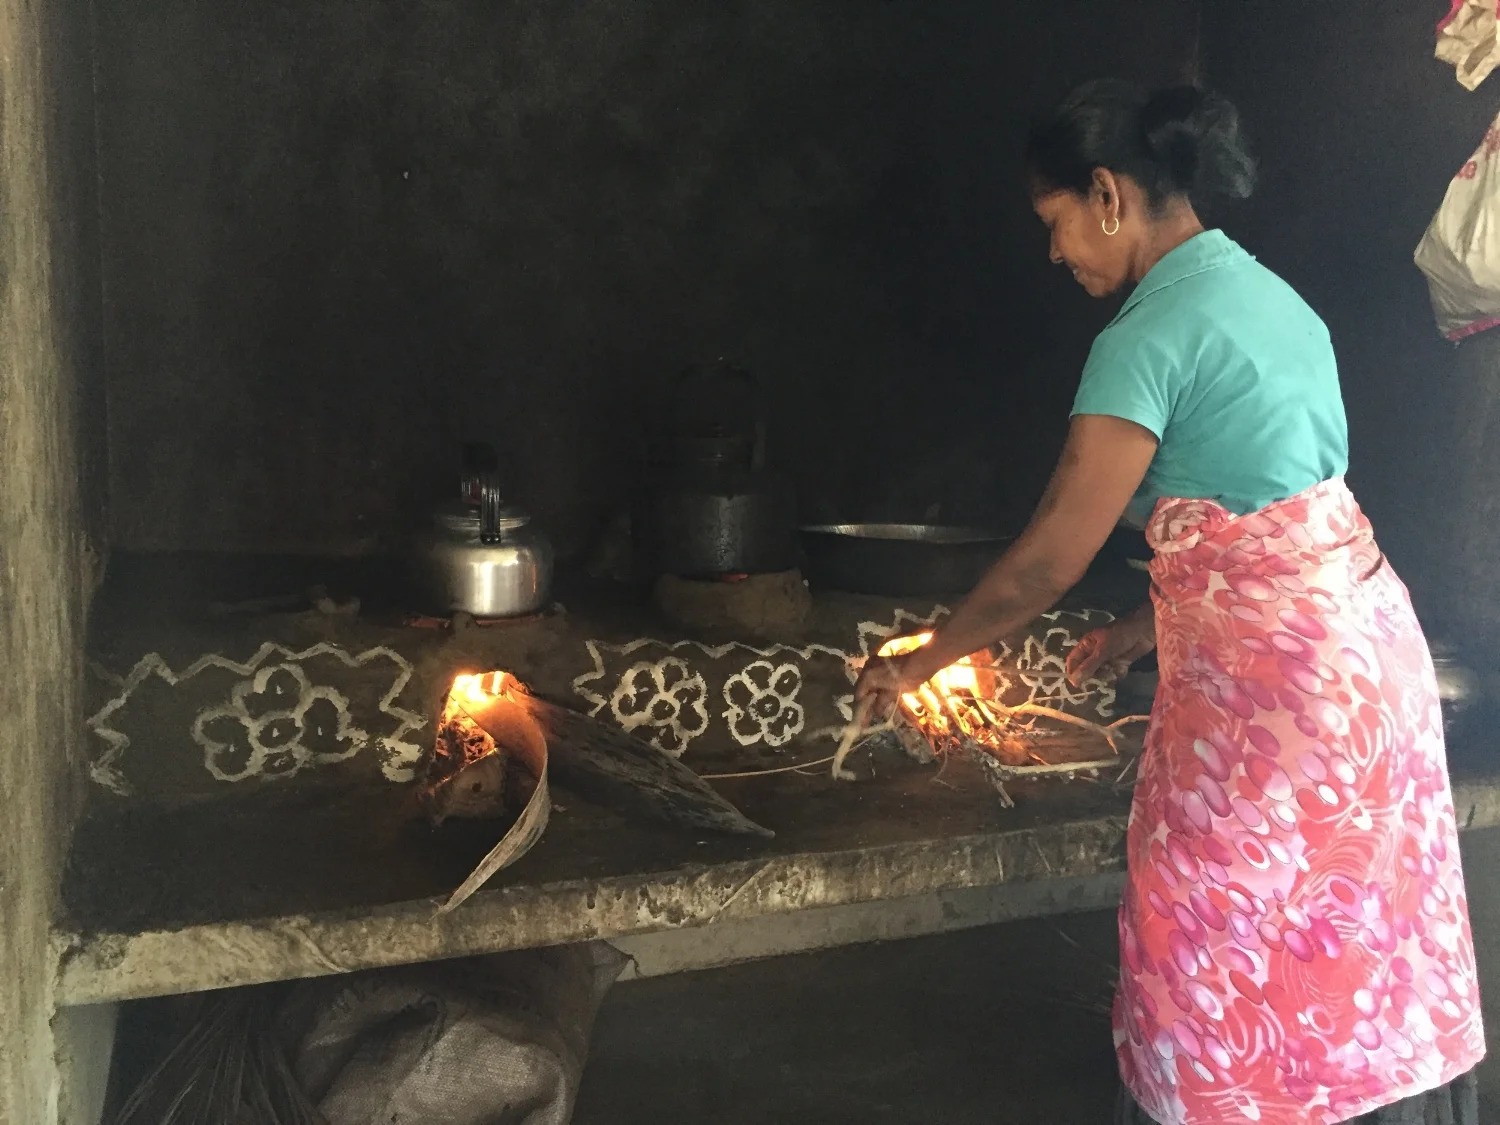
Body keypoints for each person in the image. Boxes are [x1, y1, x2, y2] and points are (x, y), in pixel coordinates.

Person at [853, 80, 1484, 1125]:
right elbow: (1272, 520)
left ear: (1107, 195)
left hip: (1278, 710)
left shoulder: (1143, 339)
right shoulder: (1277, 301)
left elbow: (1048, 558)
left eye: (1055, 220)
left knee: (1206, 937)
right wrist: (1143, 626)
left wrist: (920, 660)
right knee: (1351, 944)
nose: (1054, 254)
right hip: (1371, 671)